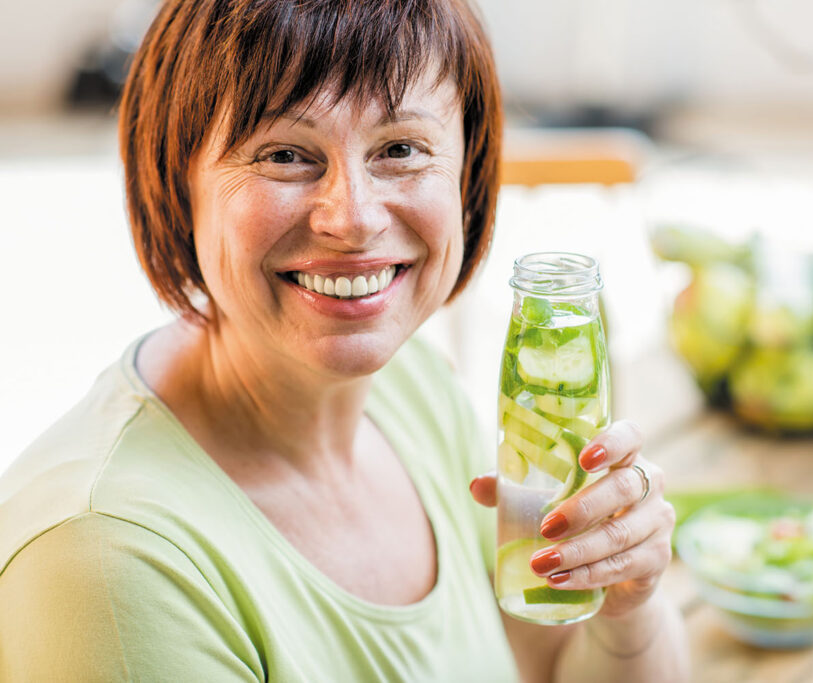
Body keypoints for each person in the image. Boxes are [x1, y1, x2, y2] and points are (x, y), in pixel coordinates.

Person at [0, 0, 688, 680]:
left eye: (399, 149)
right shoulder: (109, 567)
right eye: (286, 154)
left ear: (467, 177)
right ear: (177, 184)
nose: (352, 219)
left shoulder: (411, 380)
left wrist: (625, 609)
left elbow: (549, 665)